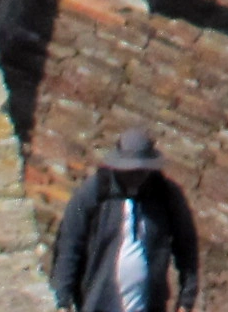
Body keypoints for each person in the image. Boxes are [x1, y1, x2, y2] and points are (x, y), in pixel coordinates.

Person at [48, 126, 199, 312]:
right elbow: (69, 245)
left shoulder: (166, 195)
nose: (135, 176)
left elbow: (187, 247)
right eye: (130, 170)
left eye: (140, 170)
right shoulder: (92, 193)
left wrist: (186, 300)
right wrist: (62, 301)